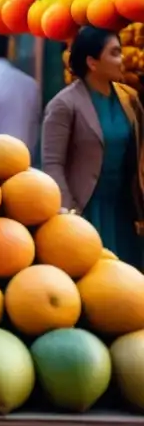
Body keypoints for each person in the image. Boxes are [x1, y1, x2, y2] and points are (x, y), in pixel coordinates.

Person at [42, 26, 144, 267]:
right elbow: (53, 163)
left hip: (125, 208)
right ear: (92, 62)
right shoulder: (64, 105)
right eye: (115, 53)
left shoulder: (130, 98)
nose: (122, 60)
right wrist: (68, 212)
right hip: (86, 209)